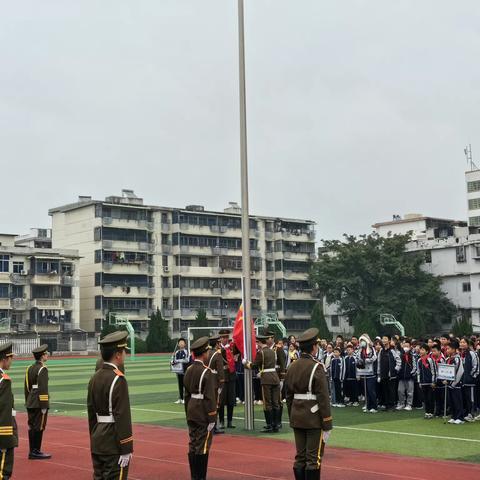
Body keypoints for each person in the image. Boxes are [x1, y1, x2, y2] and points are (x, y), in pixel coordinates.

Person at [285, 328, 333, 480]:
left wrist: (293, 414)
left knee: (300, 457)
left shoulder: (292, 366)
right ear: (313, 347)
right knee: (313, 459)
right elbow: (323, 398)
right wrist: (327, 422)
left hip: (297, 416)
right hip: (313, 419)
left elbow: (288, 395)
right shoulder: (317, 367)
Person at [87, 331, 133, 478]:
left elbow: (91, 413)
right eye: (124, 351)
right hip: (113, 443)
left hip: (98, 439)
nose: (125, 354)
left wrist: (94, 436)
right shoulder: (118, 379)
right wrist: (126, 447)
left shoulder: (94, 378)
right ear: (118, 355)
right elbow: (122, 415)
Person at [184, 336, 217, 480]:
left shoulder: (189, 369)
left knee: (193, 443)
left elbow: (186, 395)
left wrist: (188, 411)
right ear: (204, 353)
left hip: (191, 410)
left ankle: (194, 476)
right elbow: (210, 397)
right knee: (203, 446)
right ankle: (200, 477)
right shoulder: (206, 371)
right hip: (203, 412)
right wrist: (212, 417)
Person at [243, 335, 281, 432]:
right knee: (275, 402)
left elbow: (254, 366)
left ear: (260, 343)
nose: (257, 345)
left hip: (266, 379)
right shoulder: (272, 351)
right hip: (275, 377)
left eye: (257, 343)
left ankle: (269, 425)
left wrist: (246, 363)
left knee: (267, 403)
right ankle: (276, 425)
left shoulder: (261, 353)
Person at [24, 344, 51, 460]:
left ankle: (32, 450)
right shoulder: (42, 369)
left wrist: (29, 400)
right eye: (46, 353)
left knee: (31, 426)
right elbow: (43, 388)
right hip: (40, 402)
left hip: (31, 400)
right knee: (39, 426)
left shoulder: (29, 368)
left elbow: (27, 387)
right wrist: (44, 405)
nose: (47, 355)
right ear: (42, 356)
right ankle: (36, 451)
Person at [0, 342, 17, 479]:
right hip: (2, 433)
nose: (12, 361)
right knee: (3, 471)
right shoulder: (4, 380)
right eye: (11, 357)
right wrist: (6, 439)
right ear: (5, 359)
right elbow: (5, 410)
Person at [217, 330, 237, 430]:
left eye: (226, 337)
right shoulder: (218, 349)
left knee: (231, 400)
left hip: (231, 375)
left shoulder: (232, 347)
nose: (225, 339)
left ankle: (230, 421)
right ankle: (221, 421)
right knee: (221, 400)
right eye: (223, 337)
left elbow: (239, 351)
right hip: (222, 377)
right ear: (220, 338)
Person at [377, 335, 401, 411]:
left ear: (389, 340)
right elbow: (378, 362)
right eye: (383, 339)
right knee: (385, 390)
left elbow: (398, 360)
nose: (384, 340)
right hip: (383, 374)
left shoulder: (392, 350)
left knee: (391, 390)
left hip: (391, 375)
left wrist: (395, 370)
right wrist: (379, 373)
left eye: (385, 339)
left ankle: (392, 406)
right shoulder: (381, 350)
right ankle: (387, 405)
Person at [355, 334, 378, 413]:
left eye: (363, 341)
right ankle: (368, 405)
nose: (362, 343)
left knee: (371, 390)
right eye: (361, 341)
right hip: (363, 372)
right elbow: (357, 357)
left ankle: (374, 406)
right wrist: (360, 361)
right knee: (366, 390)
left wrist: (367, 360)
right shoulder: (360, 349)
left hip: (370, 372)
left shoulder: (371, 348)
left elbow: (374, 357)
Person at [207, 335, 225, 434]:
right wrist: (221, 384)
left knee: (208, 404)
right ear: (217, 344)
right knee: (215, 405)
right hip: (214, 382)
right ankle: (213, 427)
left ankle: (208, 425)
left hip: (206, 380)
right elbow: (220, 372)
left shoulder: (206, 353)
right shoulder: (217, 354)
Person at [445, 339, 465, 424]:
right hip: (449, 384)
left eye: (448, 348)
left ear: (453, 349)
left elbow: (460, 372)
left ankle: (460, 417)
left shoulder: (457, 359)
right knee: (451, 401)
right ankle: (454, 416)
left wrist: (454, 383)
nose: (447, 350)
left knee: (457, 400)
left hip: (456, 383)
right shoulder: (448, 359)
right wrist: (445, 380)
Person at [459, 337, 478, 422]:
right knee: (466, 398)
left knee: (471, 398)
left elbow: (476, 366)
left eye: (464, 342)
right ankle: (468, 414)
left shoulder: (472, 353)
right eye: (461, 342)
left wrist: (472, 376)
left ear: (468, 343)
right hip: (464, 381)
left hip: (470, 381)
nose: (462, 344)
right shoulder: (462, 354)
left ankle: (472, 415)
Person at [417, 344, 436, 419]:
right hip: (423, 382)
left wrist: (433, 382)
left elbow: (434, 371)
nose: (421, 351)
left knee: (430, 398)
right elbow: (418, 372)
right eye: (420, 349)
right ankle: (427, 412)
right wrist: (419, 382)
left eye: (422, 350)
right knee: (425, 399)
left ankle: (431, 412)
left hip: (430, 383)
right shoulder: (419, 360)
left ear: (427, 351)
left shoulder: (430, 360)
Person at [397, 339, 416, 411]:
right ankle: (401, 404)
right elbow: (398, 364)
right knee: (400, 391)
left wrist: (411, 373)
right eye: (404, 346)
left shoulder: (412, 356)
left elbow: (415, 366)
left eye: (407, 346)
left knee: (410, 392)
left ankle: (409, 404)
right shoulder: (400, 355)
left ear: (410, 347)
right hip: (401, 377)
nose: (405, 347)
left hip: (410, 377)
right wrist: (398, 371)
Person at [172, 338, 190, 404]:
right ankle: (180, 398)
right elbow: (174, 360)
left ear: (185, 344)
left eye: (182, 342)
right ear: (178, 344)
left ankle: (185, 399)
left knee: (185, 385)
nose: (181, 343)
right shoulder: (176, 352)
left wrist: (178, 360)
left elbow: (187, 360)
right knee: (180, 385)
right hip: (178, 371)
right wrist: (173, 360)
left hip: (185, 371)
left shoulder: (186, 351)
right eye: (180, 343)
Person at [430, 343, 446, 417]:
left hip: (442, 381)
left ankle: (443, 411)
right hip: (436, 380)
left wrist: (444, 379)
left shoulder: (442, 359)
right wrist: (433, 381)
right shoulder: (432, 359)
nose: (433, 353)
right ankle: (437, 412)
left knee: (443, 398)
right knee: (437, 398)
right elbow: (433, 371)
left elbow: (445, 370)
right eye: (432, 351)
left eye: (435, 351)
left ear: (439, 351)